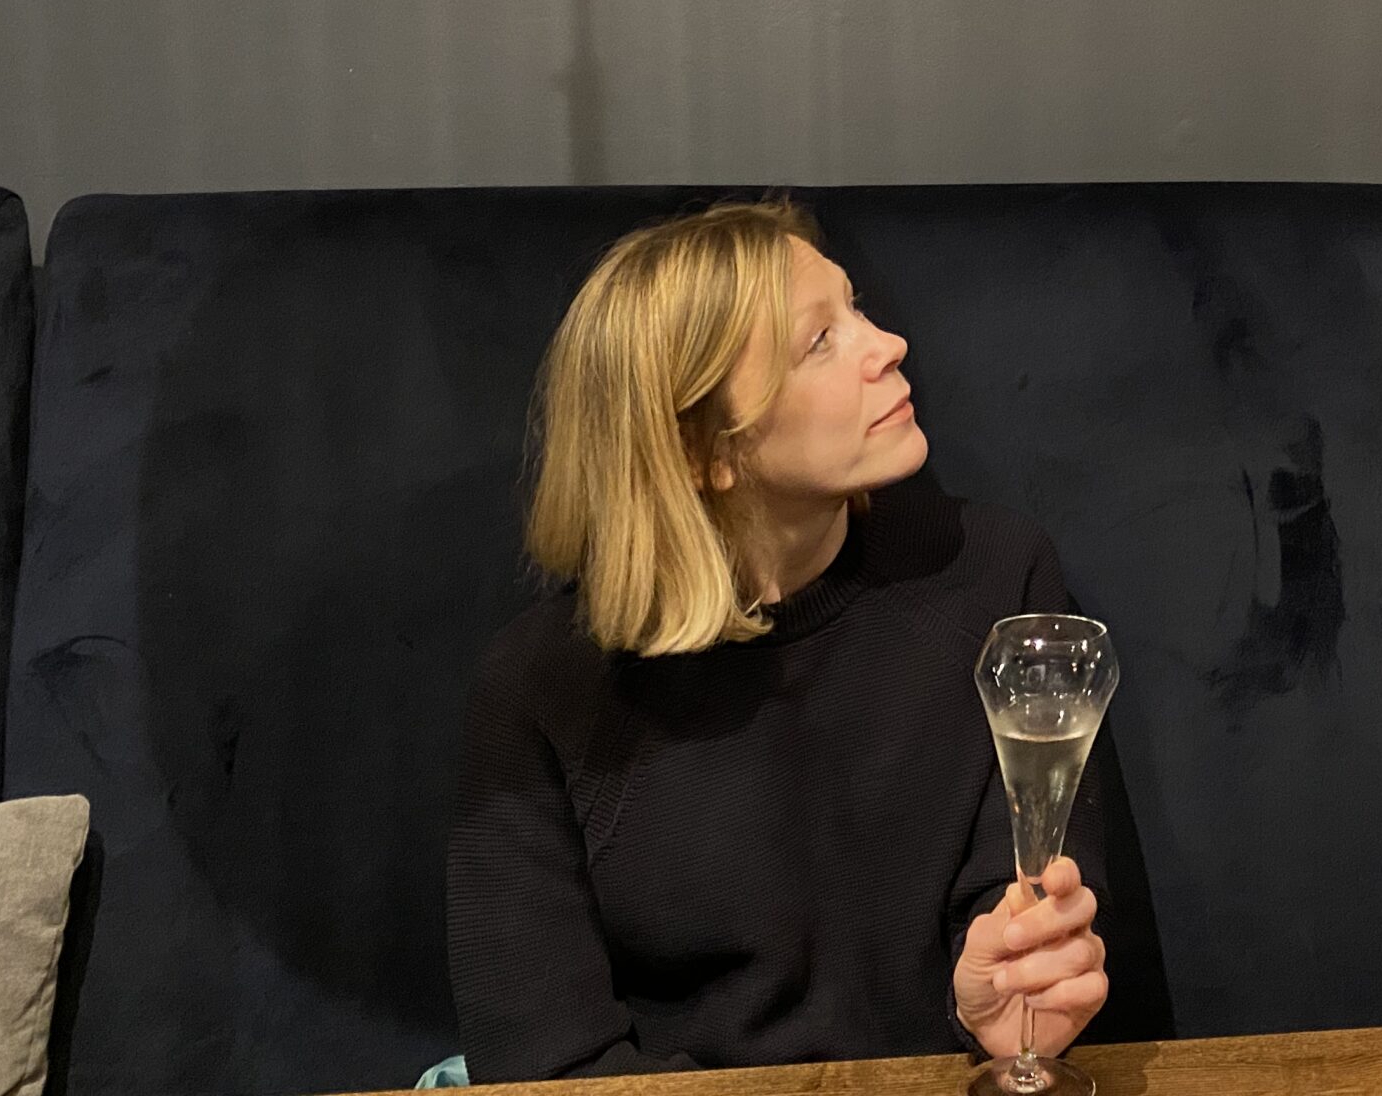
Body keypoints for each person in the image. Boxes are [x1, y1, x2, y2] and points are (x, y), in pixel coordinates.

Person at [446, 200, 1171, 1079]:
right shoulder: (541, 689)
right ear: (702, 452)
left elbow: (1015, 910)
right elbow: (548, 1064)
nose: (889, 345)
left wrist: (1003, 996)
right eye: (820, 341)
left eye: (856, 308)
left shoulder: (995, 580)